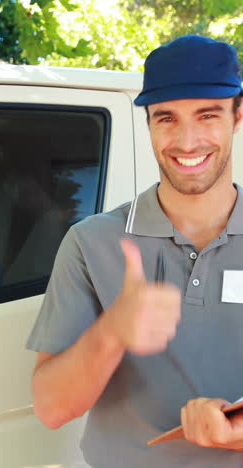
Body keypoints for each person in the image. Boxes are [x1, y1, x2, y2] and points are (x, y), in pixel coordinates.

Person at [26, 35, 243, 467]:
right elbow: (52, 409)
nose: (186, 141)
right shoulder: (92, 243)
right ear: (148, 124)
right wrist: (113, 333)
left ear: (238, 116)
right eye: (166, 118)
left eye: (207, 115)